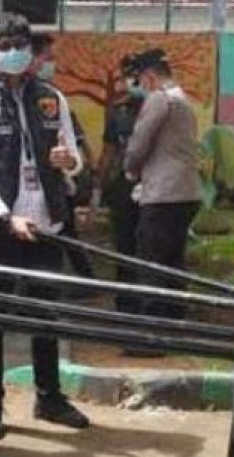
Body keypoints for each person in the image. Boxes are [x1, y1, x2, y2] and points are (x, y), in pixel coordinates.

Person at [0, 13, 89, 441]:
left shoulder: (52, 98)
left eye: (20, 45)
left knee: (45, 313)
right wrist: (3, 215)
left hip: (46, 221)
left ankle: (49, 397)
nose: (14, 53)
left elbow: (73, 155)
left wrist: (70, 162)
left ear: (31, 52)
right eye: (5, 47)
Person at [123, 48, 202, 319]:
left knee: (151, 264)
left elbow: (139, 142)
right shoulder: (183, 100)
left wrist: (130, 170)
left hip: (163, 194)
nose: (140, 87)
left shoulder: (160, 99)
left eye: (140, 80)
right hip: (187, 192)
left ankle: (152, 325)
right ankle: (175, 319)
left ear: (149, 77)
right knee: (173, 262)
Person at [30, 33, 94, 280]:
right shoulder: (24, 96)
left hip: (55, 182)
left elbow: (74, 142)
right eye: (48, 58)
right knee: (64, 234)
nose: (51, 64)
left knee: (62, 233)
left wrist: (75, 164)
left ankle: (83, 278)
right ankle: (85, 277)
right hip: (30, 187)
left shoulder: (52, 97)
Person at [96, 55, 146, 315]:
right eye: (128, 75)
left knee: (150, 245)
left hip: (154, 185)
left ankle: (152, 302)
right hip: (124, 186)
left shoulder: (160, 107)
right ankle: (126, 303)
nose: (132, 80)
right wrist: (98, 188)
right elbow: (109, 151)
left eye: (136, 74)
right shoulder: (119, 112)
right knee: (125, 245)